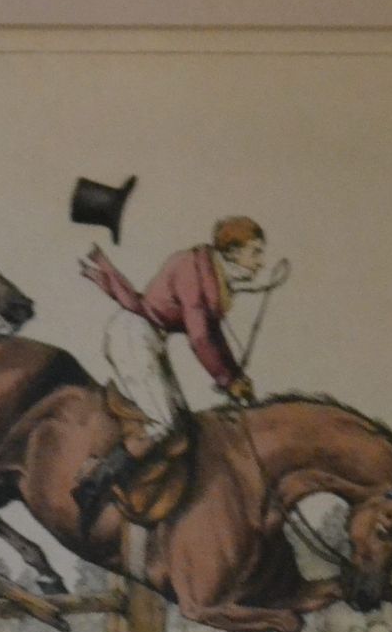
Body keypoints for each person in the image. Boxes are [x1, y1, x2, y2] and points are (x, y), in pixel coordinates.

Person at [74, 214, 275, 523]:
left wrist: (235, 377)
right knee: (162, 425)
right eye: (255, 252)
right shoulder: (192, 269)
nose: (260, 261)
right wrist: (226, 379)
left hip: (149, 339)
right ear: (233, 252)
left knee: (182, 424)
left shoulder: (210, 273)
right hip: (133, 336)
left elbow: (213, 334)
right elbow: (200, 337)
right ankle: (93, 485)